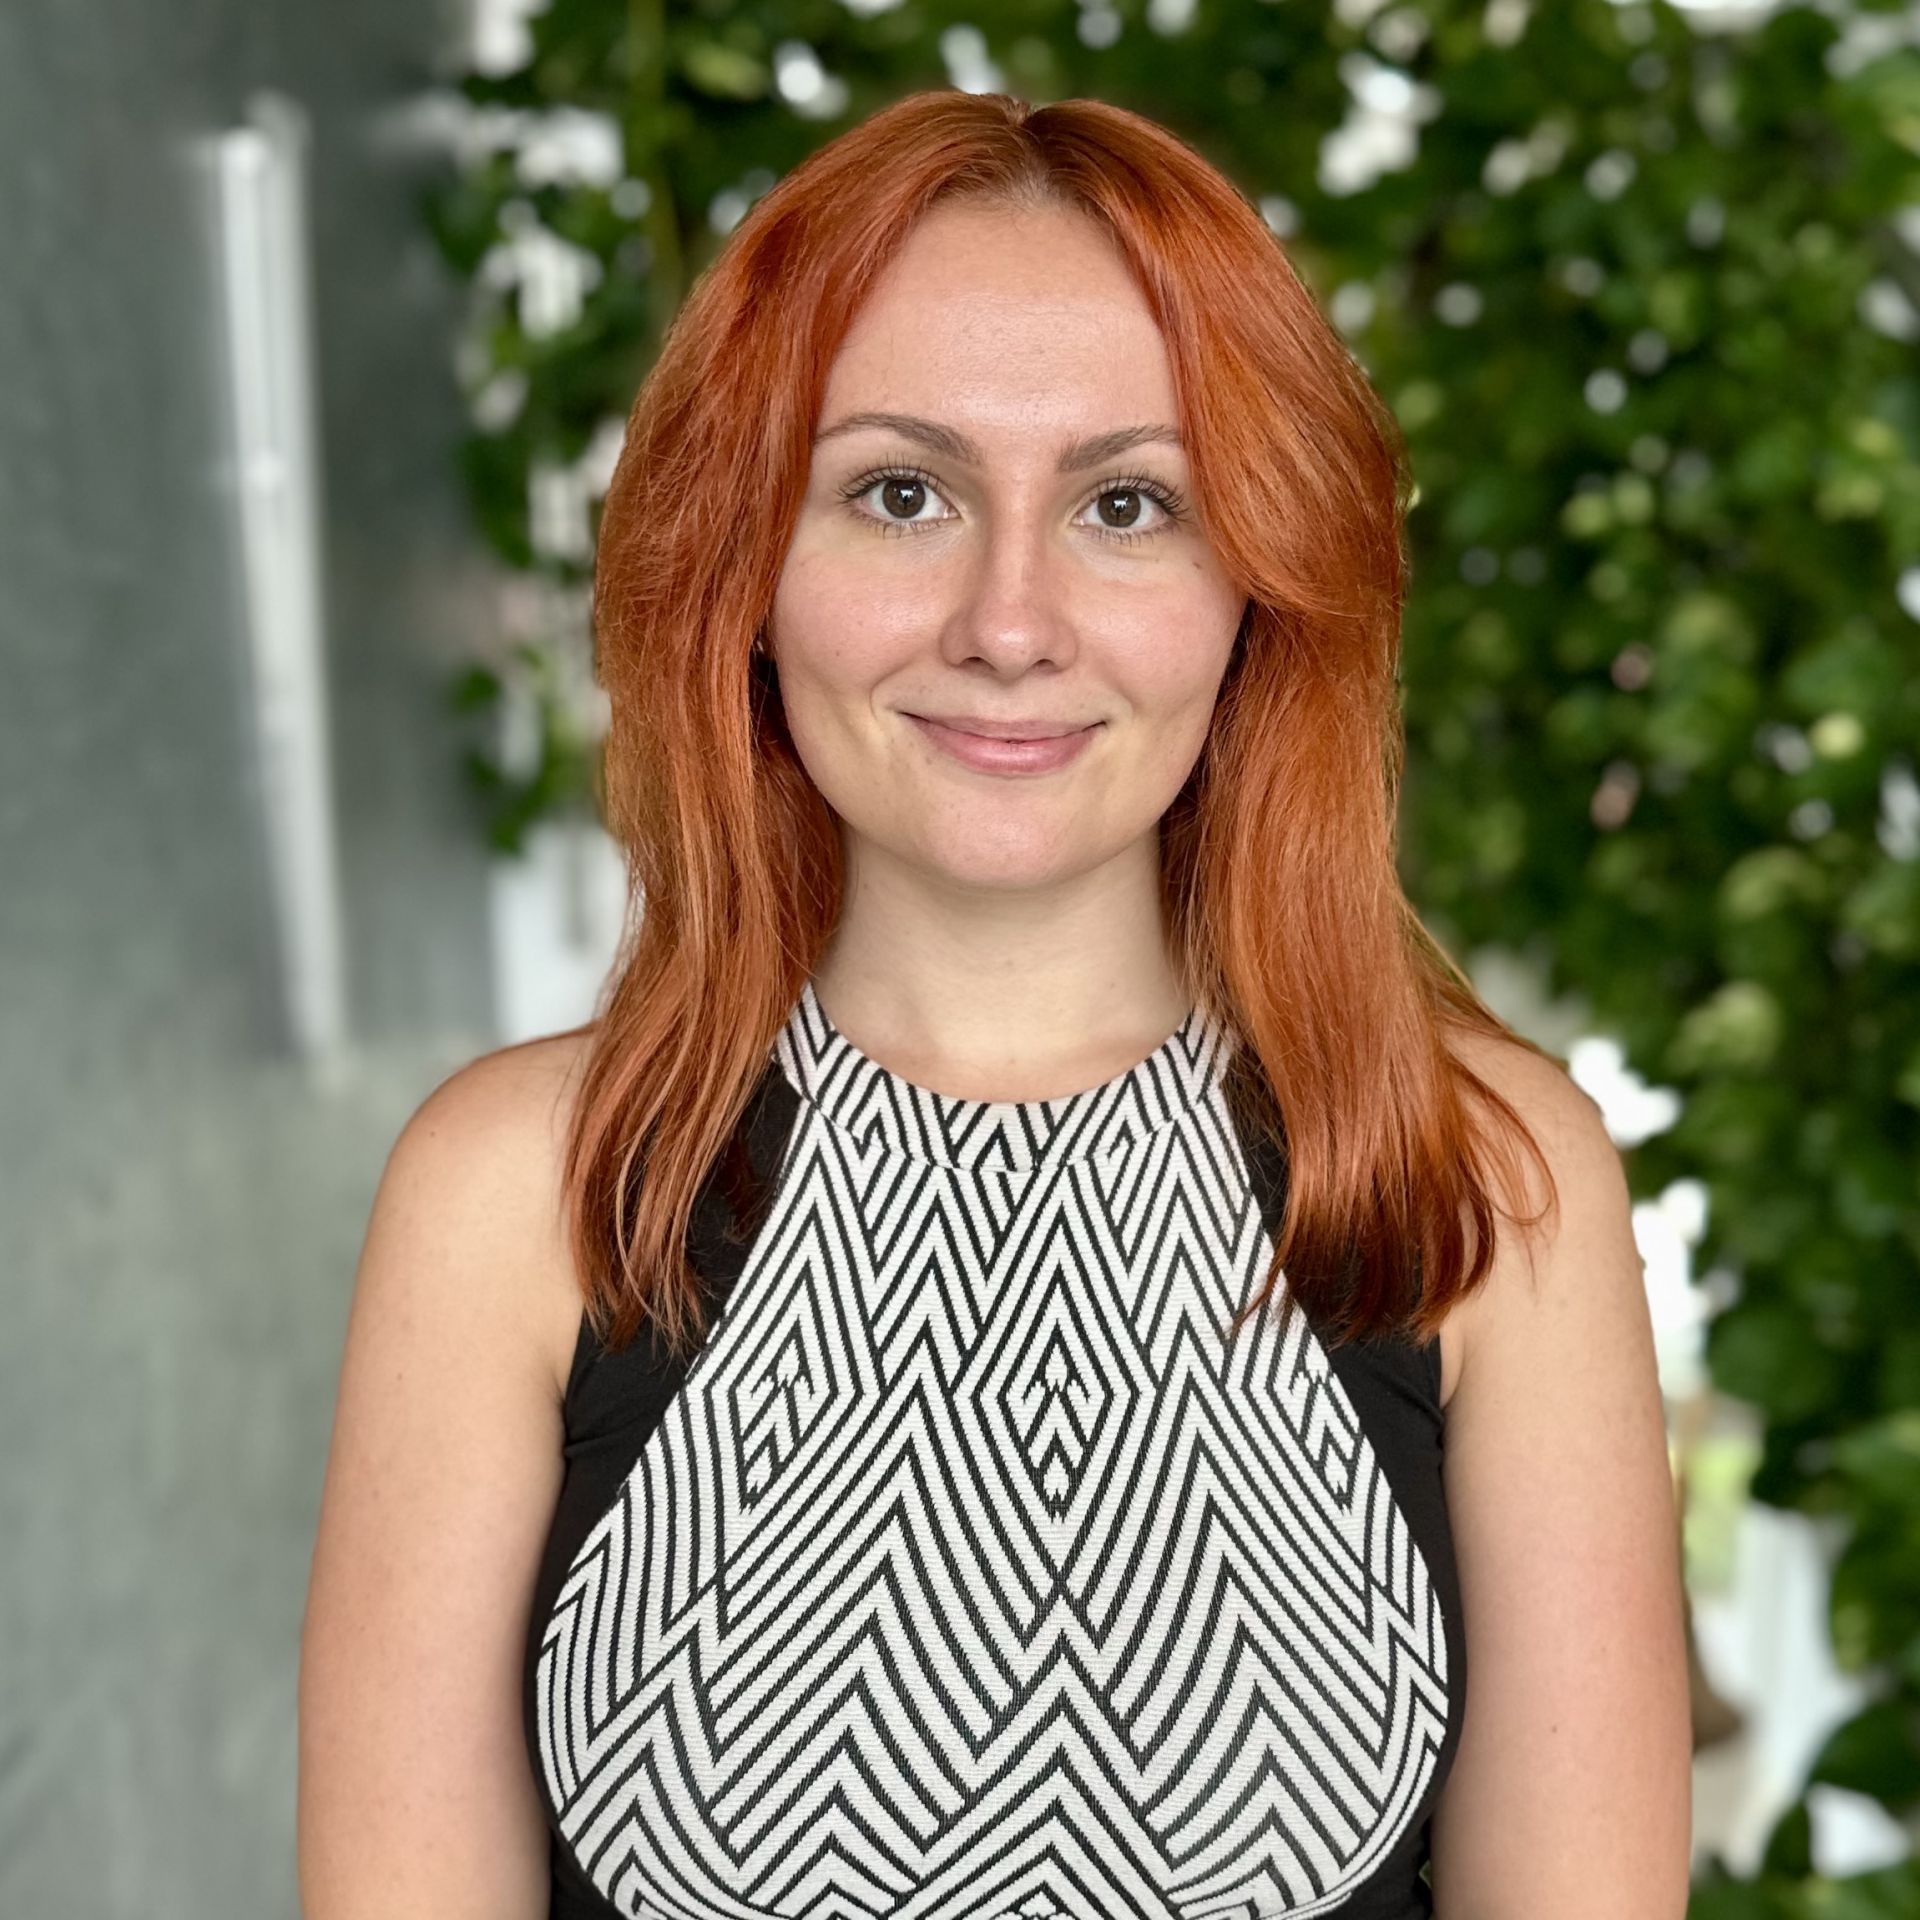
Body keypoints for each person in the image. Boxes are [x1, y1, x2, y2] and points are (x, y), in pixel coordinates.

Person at [297, 90, 1691, 1920]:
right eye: (902, 493)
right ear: (745, 568)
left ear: (1258, 586)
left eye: (1128, 503)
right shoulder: (513, 1195)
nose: (1009, 622)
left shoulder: (1489, 1185)